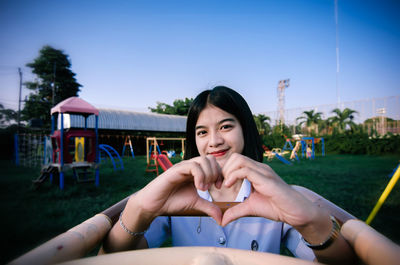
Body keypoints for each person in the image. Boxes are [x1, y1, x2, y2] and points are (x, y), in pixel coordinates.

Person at [100, 86, 355, 264]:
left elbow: (341, 261)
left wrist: (311, 222)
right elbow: (112, 258)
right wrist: (140, 210)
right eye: (202, 132)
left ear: (245, 130)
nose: (214, 141)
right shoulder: (175, 196)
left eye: (225, 126)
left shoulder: (275, 195)